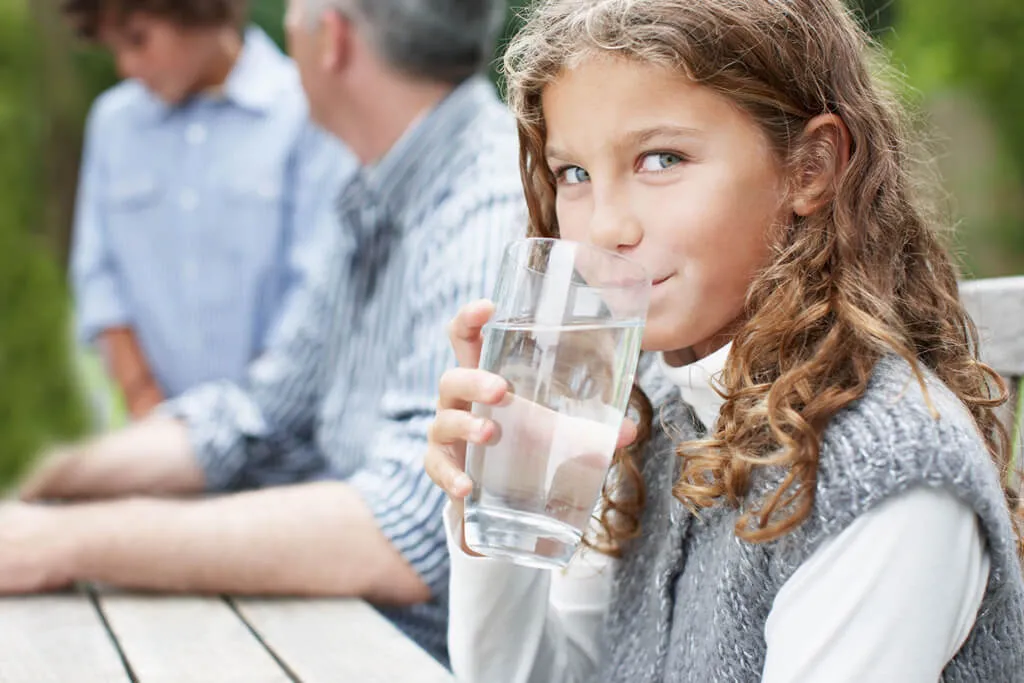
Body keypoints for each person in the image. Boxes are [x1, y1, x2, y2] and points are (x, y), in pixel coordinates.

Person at [425, 0, 1024, 680]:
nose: (606, 227)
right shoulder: (661, 407)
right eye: (575, 175)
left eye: (661, 158)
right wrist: (495, 497)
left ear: (811, 168)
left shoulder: (890, 473)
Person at [5, 0, 518, 665]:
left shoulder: (487, 208)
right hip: (332, 622)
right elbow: (262, 412)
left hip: (407, 650)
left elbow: (409, 532)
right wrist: (51, 476)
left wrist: (63, 540)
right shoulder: (374, 193)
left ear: (329, 41)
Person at [64, 0, 351, 419]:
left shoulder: (302, 113)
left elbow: (317, 288)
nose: (127, 65)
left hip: (285, 440)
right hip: (157, 438)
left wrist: (239, 429)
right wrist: (148, 410)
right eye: (114, 48)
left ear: (197, 10)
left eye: (138, 40)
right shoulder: (113, 125)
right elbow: (99, 279)